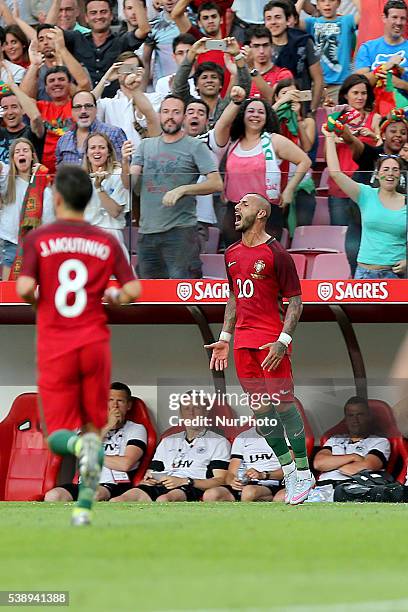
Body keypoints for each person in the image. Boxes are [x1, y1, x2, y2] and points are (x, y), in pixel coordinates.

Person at [16, 165, 141, 526]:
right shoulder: (105, 240)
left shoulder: (40, 239)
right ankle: (84, 509)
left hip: (57, 342)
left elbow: (24, 289)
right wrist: (113, 294)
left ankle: (77, 449)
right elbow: (132, 290)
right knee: (92, 428)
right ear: (88, 200)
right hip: (94, 341)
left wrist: (43, 304)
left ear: (56, 198)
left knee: (56, 432)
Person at [204, 192, 314, 505]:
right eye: (237, 204)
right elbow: (235, 297)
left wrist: (283, 340)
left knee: (282, 405)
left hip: (270, 343)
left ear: (262, 214)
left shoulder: (277, 253)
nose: (237, 208)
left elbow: (295, 300)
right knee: (260, 410)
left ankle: (304, 471)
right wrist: (225, 337)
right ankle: (289, 469)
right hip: (242, 344)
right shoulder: (232, 253)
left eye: (245, 204)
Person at [122, 94, 223, 279]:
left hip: (180, 231)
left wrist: (183, 189)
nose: (170, 116)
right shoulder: (145, 145)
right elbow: (129, 183)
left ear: (183, 117)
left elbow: (216, 183)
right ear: (160, 115)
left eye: (176, 112)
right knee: (149, 295)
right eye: (166, 111)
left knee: (180, 291)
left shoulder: (195, 146)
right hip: (147, 232)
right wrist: (124, 162)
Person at [212, 95, 311, 245]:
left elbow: (304, 161)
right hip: (235, 211)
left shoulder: (274, 140)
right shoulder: (233, 142)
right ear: (243, 115)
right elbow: (222, 124)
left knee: (263, 263)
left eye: (261, 112)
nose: (255, 115)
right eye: (251, 111)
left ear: (267, 117)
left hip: (265, 213)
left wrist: (289, 189)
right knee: (235, 261)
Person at [111, 394, 230, 503]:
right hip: (161, 484)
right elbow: (153, 472)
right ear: (181, 413)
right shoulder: (168, 440)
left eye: (197, 408)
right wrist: (148, 479)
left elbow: (221, 480)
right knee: (118, 500)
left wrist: (186, 481)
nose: (191, 413)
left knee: (164, 500)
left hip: (192, 485)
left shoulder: (219, 441)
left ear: (205, 412)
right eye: (186, 408)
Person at [44, 382, 147, 502]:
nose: (115, 405)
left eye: (120, 401)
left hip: (116, 485)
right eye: (110, 400)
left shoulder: (137, 428)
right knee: (53, 496)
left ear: (128, 405)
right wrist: (108, 425)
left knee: (93, 495)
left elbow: (125, 464)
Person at [325, 129, 407, 279]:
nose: (390, 173)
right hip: (366, 274)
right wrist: (329, 137)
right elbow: (335, 173)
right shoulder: (365, 194)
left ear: (400, 175)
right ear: (377, 173)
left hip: (396, 276)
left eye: (395, 170)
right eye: (386, 169)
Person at [324, 74, 381, 274]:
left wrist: (372, 136)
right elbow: (326, 149)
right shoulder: (335, 116)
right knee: (343, 243)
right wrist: (340, 137)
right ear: (345, 95)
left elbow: (384, 151)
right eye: (355, 92)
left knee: (368, 238)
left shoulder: (375, 119)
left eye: (364, 93)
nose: (360, 97)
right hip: (340, 187)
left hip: (368, 189)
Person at [56, 0, 150, 98]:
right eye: (93, 13)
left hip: (115, 104)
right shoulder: (76, 38)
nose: (99, 16)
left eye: (103, 12)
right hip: (84, 105)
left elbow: (144, 30)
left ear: (111, 16)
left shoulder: (122, 40)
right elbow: (46, 30)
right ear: (86, 18)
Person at [313, 396, 391, 497]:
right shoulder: (334, 440)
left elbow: (365, 466)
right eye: (351, 415)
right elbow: (318, 463)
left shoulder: (379, 441)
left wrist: (332, 464)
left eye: (360, 415)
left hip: (353, 487)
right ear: (345, 419)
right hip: (323, 487)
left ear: (368, 417)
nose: (355, 420)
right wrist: (353, 457)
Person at [0, 138, 53, 280]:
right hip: (11, 244)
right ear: (12, 158)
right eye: (17, 152)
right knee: (7, 294)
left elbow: (49, 217)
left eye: (25, 150)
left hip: (35, 245)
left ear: (32, 156)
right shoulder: (6, 180)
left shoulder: (43, 183)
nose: (21, 154)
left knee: (31, 292)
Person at [171, 36, 251, 129]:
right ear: (196, 85)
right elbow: (178, 88)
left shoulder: (228, 104)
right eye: (204, 77)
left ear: (221, 84)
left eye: (214, 77)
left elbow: (244, 87)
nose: (209, 81)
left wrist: (237, 55)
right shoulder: (190, 105)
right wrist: (192, 53)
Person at [263, 0, 324, 115]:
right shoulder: (260, 47)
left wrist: (312, 110)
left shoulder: (303, 42)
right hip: (272, 111)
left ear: (288, 20)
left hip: (302, 109)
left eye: (278, 17)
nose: (273, 22)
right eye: (269, 18)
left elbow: (318, 79)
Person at [272, 78, 316, 230]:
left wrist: (296, 118)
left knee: (302, 226)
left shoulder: (307, 122)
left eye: (293, 94)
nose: (289, 98)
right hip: (277, 182)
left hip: (302, 182)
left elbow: (307, 147)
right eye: (285, 94)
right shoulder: (271, 121)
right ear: (277, 97)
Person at [202, 426, 284, 502]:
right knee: (211, 494)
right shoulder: (244, 436)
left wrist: (263, 475)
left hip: (272, 483)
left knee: (249, 491)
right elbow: (231, 473)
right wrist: (233, 482)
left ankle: (243, 517)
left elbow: (290, 469)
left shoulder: (285, 435)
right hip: (245, 484)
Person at [300, 0, 360, 103]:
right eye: (322, 1)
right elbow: (292, 21)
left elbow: (365, 14)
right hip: (317, 86)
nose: (327, 4)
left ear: (339, 3)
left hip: (340, 85)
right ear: (317, 5)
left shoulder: (346, 21)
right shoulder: (312, 22)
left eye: (331, 0)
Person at [93, 55, 161, 144]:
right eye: (124, 68)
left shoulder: (154, 98)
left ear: (140, 71)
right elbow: (86, 103)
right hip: (116, 155)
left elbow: (146, 123)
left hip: (144, 154)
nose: (128, 72)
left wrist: (136, 86)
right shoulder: (108, 104)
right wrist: (105, 79)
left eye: (132, 68)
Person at [83, 132, 129, 250]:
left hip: (110, 235)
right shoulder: (80, 178)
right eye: (92, 148)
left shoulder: (118, 174)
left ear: (108, 152)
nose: (97, 151)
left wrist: (99, 188)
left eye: (102, 147)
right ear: (87, 153)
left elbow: (115, 212)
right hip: (85, 237)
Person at [20, 25, 92, 101]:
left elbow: (84, 90)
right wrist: (34, 65)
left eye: (50, 38)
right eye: (41, 40)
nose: (45, 42)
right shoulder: (35, 70)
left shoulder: (74, 67)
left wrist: (61, 52)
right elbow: (24, 99)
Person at [55, 90, 127, 166]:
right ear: (72, 111)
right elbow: (60, 172)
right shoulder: (63, 140)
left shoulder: (114, 133)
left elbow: (125, 167)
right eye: (78, 107)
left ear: (96, 109)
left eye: (88, 106)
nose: (83, 111)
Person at [355, 0, 408, 95]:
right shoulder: (367, 48)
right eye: (394, 17)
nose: (399, 22)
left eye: (403, 18)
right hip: (375, 107)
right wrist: (385, 67)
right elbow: (358, 85)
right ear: (384, 18)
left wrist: (402, 84)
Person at [0, 70, 45, 163]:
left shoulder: (31, 133)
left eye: (14, 106)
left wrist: (13, 86)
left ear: (23, 110)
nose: (10, 112)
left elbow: (36, 117)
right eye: (5, 108)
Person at [244, 25, 293, 103]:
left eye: (265, 45)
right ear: (248, 48)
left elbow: (275, 100)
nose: (261, 51)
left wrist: (252, 69)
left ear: (272, 46)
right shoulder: (242, 75)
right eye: (256, 46)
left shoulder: (283, 74)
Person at [142, 0, 180, 88]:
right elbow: (146, 61)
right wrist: (142, 91)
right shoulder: (153, 25)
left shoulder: (193, 22)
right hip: (163, 87)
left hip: (189, 85)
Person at [154, 33, 198, 98]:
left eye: (189, 52)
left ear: (196, 55)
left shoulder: (203, 81)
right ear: (174, 57)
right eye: (180, 53)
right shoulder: (163, 83)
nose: (185, 56)